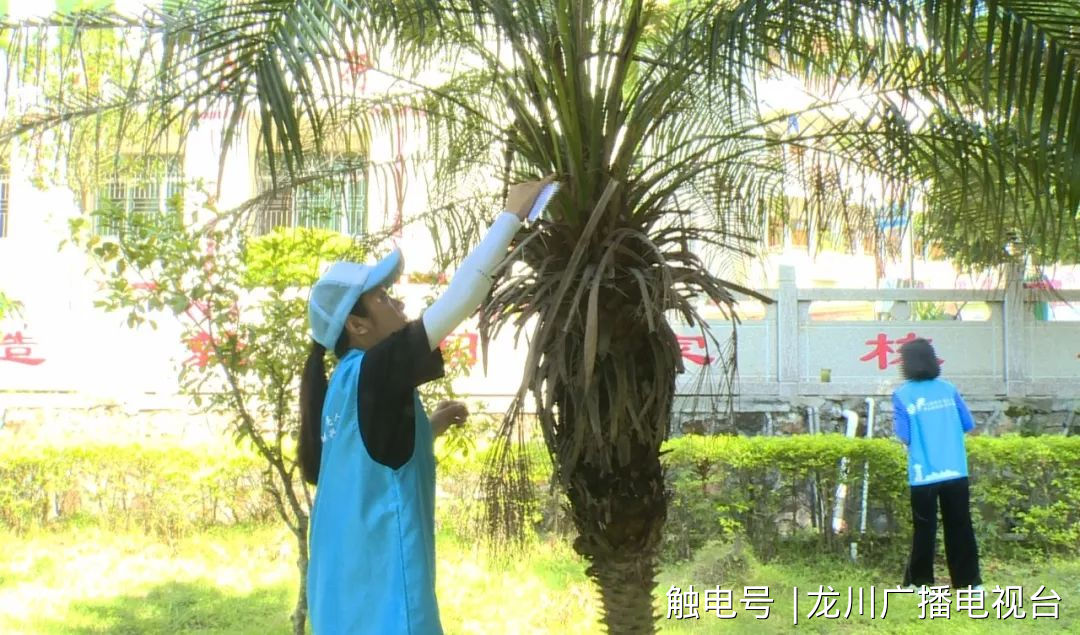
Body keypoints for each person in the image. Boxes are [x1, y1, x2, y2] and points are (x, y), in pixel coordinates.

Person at [298, 176, 555, 634]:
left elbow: (369, 459)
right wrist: (511, 217)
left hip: (342, 609)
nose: (397, 302)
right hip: (388, 613)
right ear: (357, 325)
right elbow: (459, 300)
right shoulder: (374, 370)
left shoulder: (342, 386)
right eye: (382, 297)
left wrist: (429, 426)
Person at [892, 337, 983, 591]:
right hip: (955, 469)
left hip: (923, 474)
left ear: (906, 364)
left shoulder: (902, 394)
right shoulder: (948, 389)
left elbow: (904, 435)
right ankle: (969, 583)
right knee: (960, 525)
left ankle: (919, 582)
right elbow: (968, 424)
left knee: (924, 528)